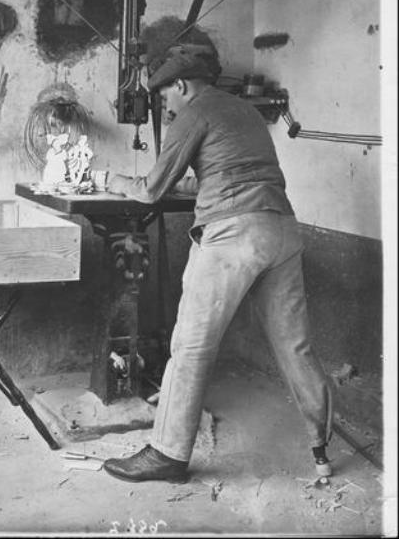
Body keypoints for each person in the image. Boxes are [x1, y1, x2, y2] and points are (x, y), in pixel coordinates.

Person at [103, 44, 333, 483]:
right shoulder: (243, 111)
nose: (165, 106)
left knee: (190, 347)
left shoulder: (193, 112)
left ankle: (167, 455)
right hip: (281, 228)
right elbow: (223, 174)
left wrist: (109, 180)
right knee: (295, 347)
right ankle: (320, 450)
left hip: (233, 236)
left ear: (182, 85)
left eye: (165, 96)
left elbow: (151, 190)